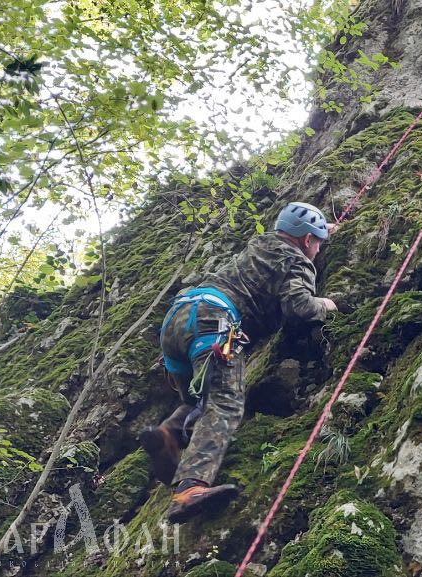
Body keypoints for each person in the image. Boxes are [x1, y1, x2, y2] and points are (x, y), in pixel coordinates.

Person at [140, 202, 340, 523]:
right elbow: (299, 306)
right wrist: (328, 304)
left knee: (200, 397)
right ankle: (190, 488)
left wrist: (323, 229)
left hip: (179, 319)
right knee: (225, 403)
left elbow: (293, 240)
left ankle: (170, 433)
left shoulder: (261, 243)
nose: (318, 248)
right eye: (317, 241)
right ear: (305, 241)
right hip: (214, 324)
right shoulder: (298, 260)